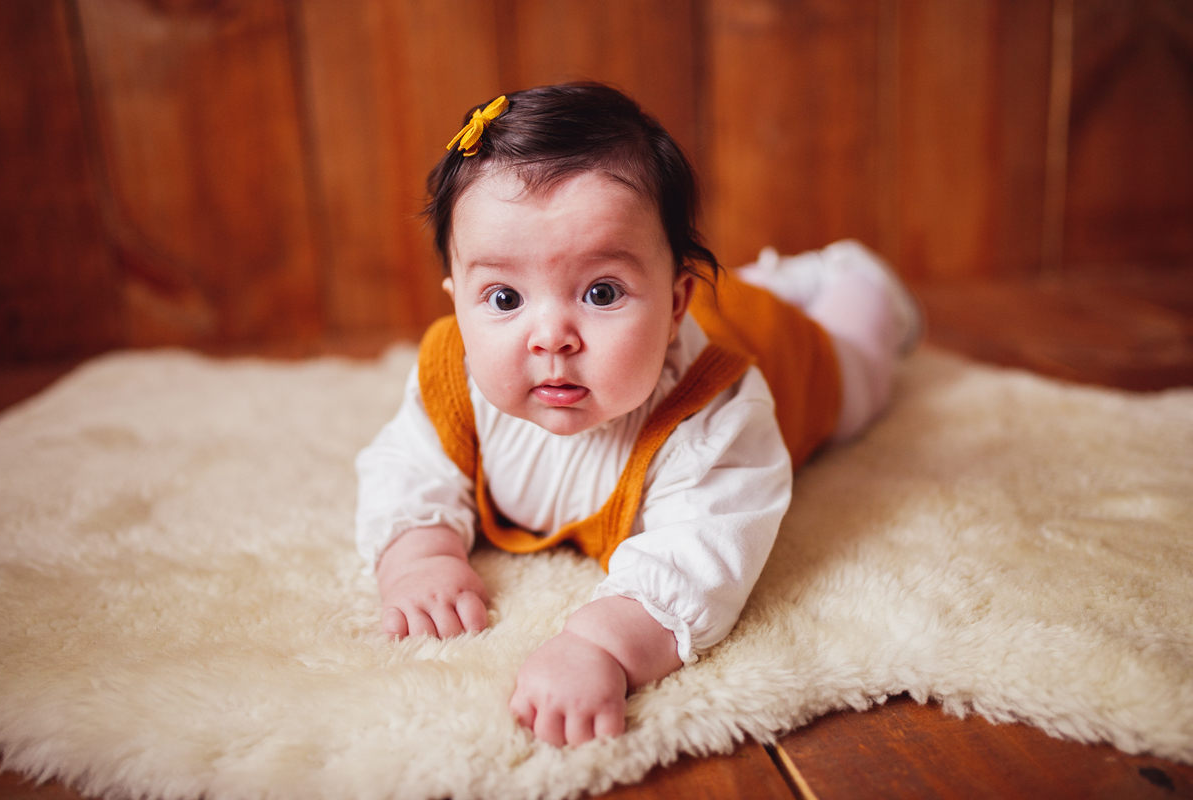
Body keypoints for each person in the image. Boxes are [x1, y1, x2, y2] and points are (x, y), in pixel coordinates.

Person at [355, 83, 919, 748]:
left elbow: (703, 552)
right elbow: (406, 466)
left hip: (789, 347)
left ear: (676, 304)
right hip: (697, 293)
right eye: (504, 297)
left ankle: (855, 277)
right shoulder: (455, 376)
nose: (550, 337)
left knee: (864, 362)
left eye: (600, 292)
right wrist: (418, 555)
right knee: (729, 285)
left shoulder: (717, 411)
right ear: (457, 303)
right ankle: (740, 280)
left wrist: (603, 644)